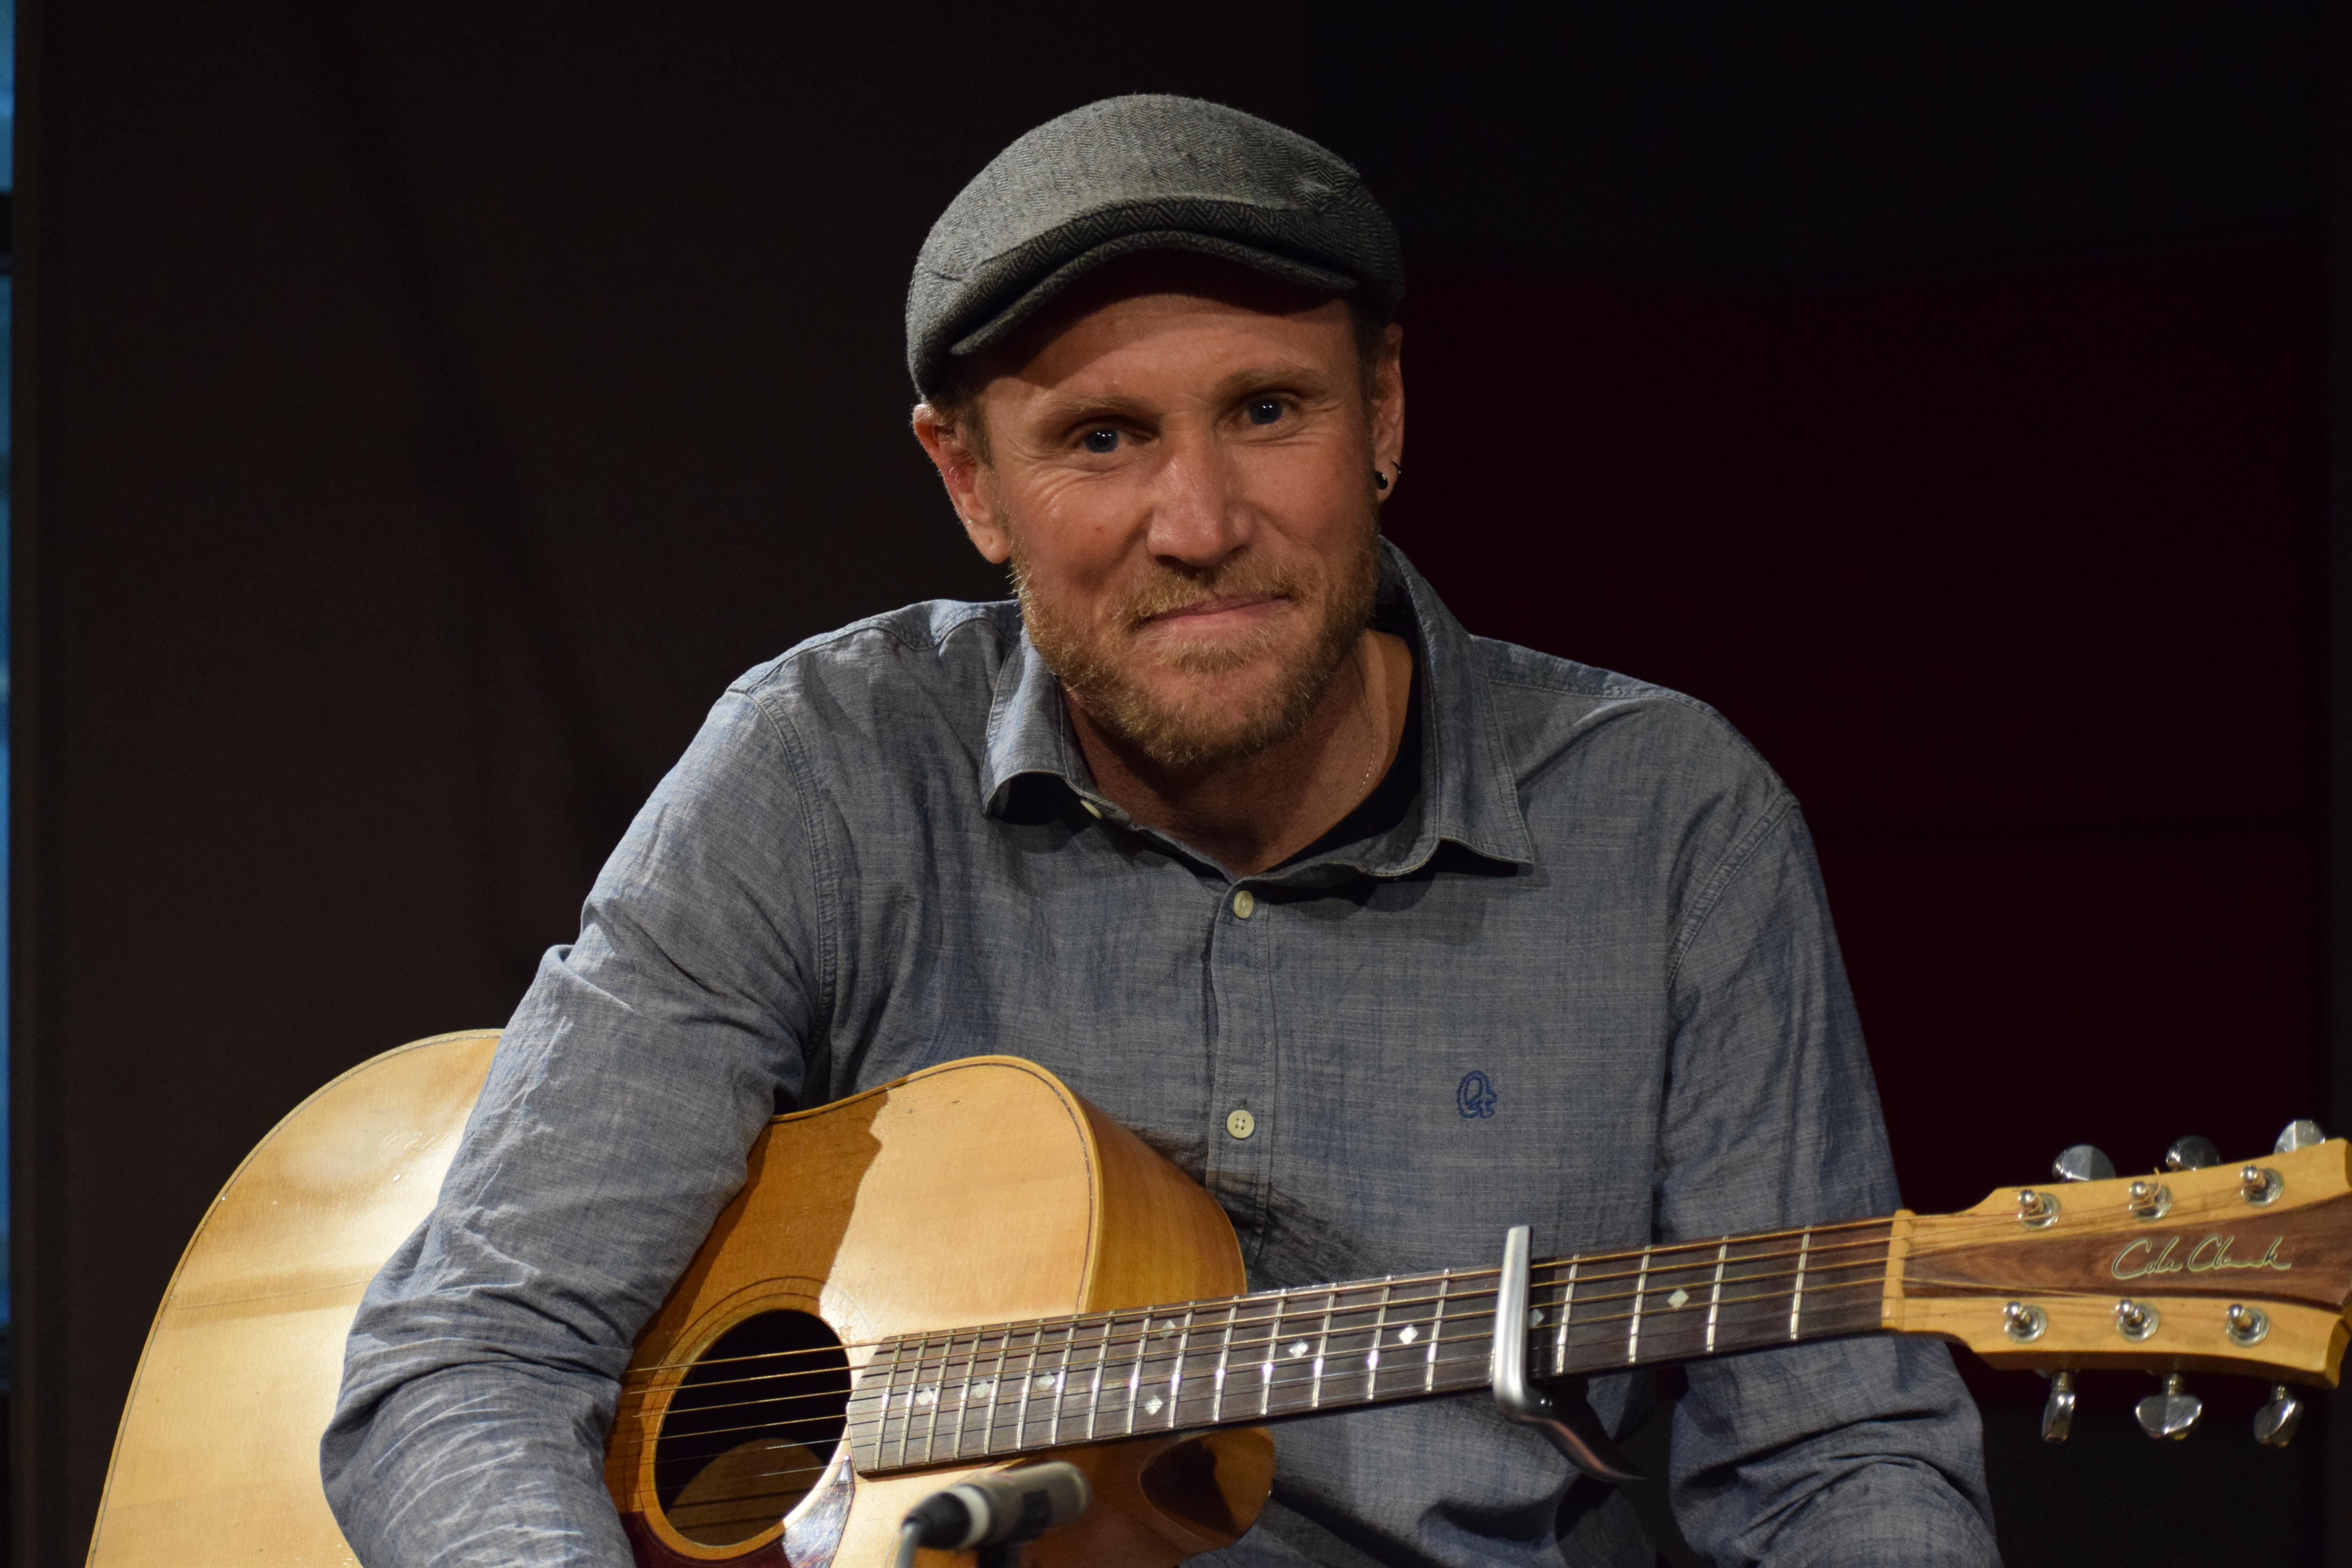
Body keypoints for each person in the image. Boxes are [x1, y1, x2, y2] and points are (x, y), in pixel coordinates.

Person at [323, 95, 1997, 1567]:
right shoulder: (821, 769)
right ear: (970, 482)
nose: (1198, 524)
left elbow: (1830, 1455)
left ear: (1387, 413)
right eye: (1101, 439)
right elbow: (471, 1351)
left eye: (1269, 411)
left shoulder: (1671, 823)